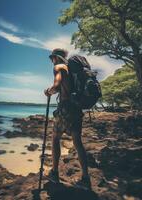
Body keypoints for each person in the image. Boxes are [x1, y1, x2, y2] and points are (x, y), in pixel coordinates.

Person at [44, 48, 91, 189]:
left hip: (65, 109)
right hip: (76, 108)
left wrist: (48, 91)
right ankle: (86, 178)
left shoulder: (59, 67)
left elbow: (57, 85)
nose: (52, 61)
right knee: (77, 142)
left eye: (52, 58)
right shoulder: (72, 70)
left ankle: (54, 172)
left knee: (55, 138)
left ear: (56, 58)